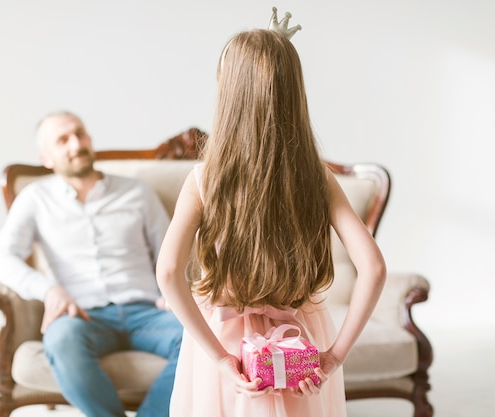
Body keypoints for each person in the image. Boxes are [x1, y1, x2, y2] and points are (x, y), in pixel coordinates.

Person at [155, 29, 387, 417]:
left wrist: (220, 359)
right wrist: (334, 357)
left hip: (225, 337)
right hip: (300, 336)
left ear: (228, 93)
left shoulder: (203, 180)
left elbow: (167, 273)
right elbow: (374, 268)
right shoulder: (317, 176)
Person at [0, 111, 183, 417]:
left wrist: (173, 292)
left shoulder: (137, 192)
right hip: (82, 315)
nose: (76, 144)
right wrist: (49, 290)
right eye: (62, 140)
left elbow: (169, 253)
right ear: (46, 157)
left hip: (147, 310)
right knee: (61, 338)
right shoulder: (35, 198)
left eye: (80, 134)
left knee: (198, 335)